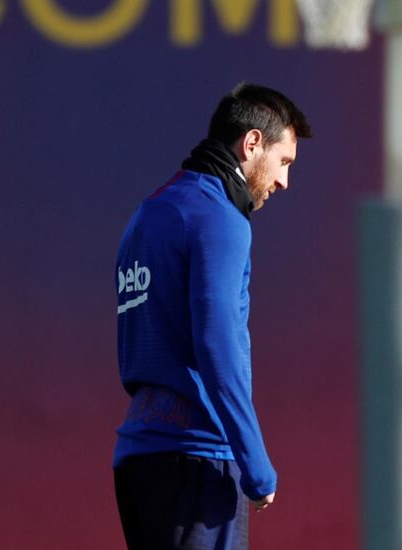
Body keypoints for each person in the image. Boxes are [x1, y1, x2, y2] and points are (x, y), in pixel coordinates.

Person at [113, 83, 311, 549]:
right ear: (251, 144)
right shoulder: (221, 218)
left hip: (138, 458)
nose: (284, 182)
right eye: (284, 162)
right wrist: (256, 464)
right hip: (197, 459)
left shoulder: (147, 215)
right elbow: (217, 346)